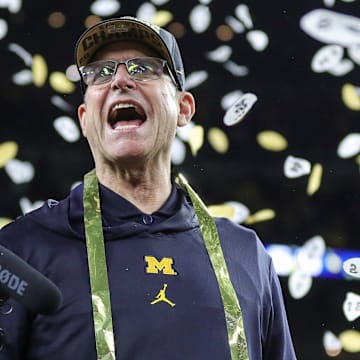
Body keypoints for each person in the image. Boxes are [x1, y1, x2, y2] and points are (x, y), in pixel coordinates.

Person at [0, 16, 297, 359]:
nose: (120, 80)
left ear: (184, 108)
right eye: (101, 72)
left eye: (143, 68)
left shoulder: (246, 255)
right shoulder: (23, 251)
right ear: (84, 118)